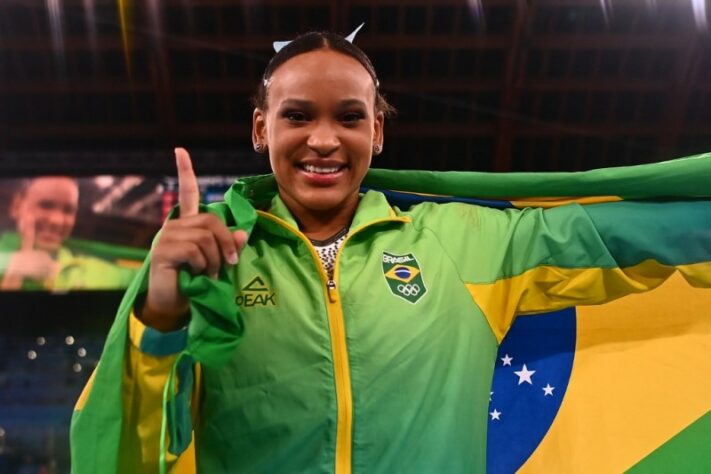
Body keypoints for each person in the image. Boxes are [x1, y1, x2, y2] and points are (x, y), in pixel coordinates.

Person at [70, 31, 711, 473]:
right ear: (262, 127)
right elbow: (136, 441)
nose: (324, 140)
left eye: (349, 117)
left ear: (376, 131)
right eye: (298, 117)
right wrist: (160, 316)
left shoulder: (464, 241)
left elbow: (621, 240)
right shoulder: (209, 256)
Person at [0, 176, 137, 290]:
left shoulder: (90, 269)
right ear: (16, 206)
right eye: (45, 205)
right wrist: (11, 266)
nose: (57, 221)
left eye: (68, 210)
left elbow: (145, 279)